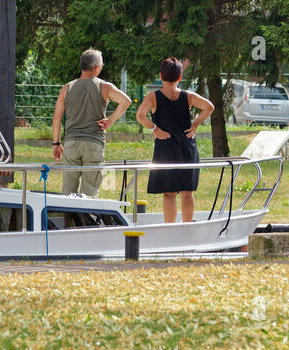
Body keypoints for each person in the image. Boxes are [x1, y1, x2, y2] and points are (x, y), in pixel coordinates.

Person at [136, 57, 213, 223]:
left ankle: (170, 228)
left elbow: (140, 115)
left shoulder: (153, 97)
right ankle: (186, 227)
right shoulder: (188, 96)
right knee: (187, 192)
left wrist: (155, 129)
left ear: (160, 76)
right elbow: (209, 107)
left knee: (169, 193)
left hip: (166, 147)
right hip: (186, 145)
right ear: (180, 76)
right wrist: (195, 125)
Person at [51, 49, 132, 197]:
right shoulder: (104, 86)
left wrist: (56, 143)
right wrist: (110, 121)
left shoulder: (67, 88)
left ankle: (69, 219)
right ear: (96, 68)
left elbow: (56, 118)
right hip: (94, 143)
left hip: (71, 143)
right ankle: (87, 220)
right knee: (89, 193)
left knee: (67, 193)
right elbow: (126, 101)